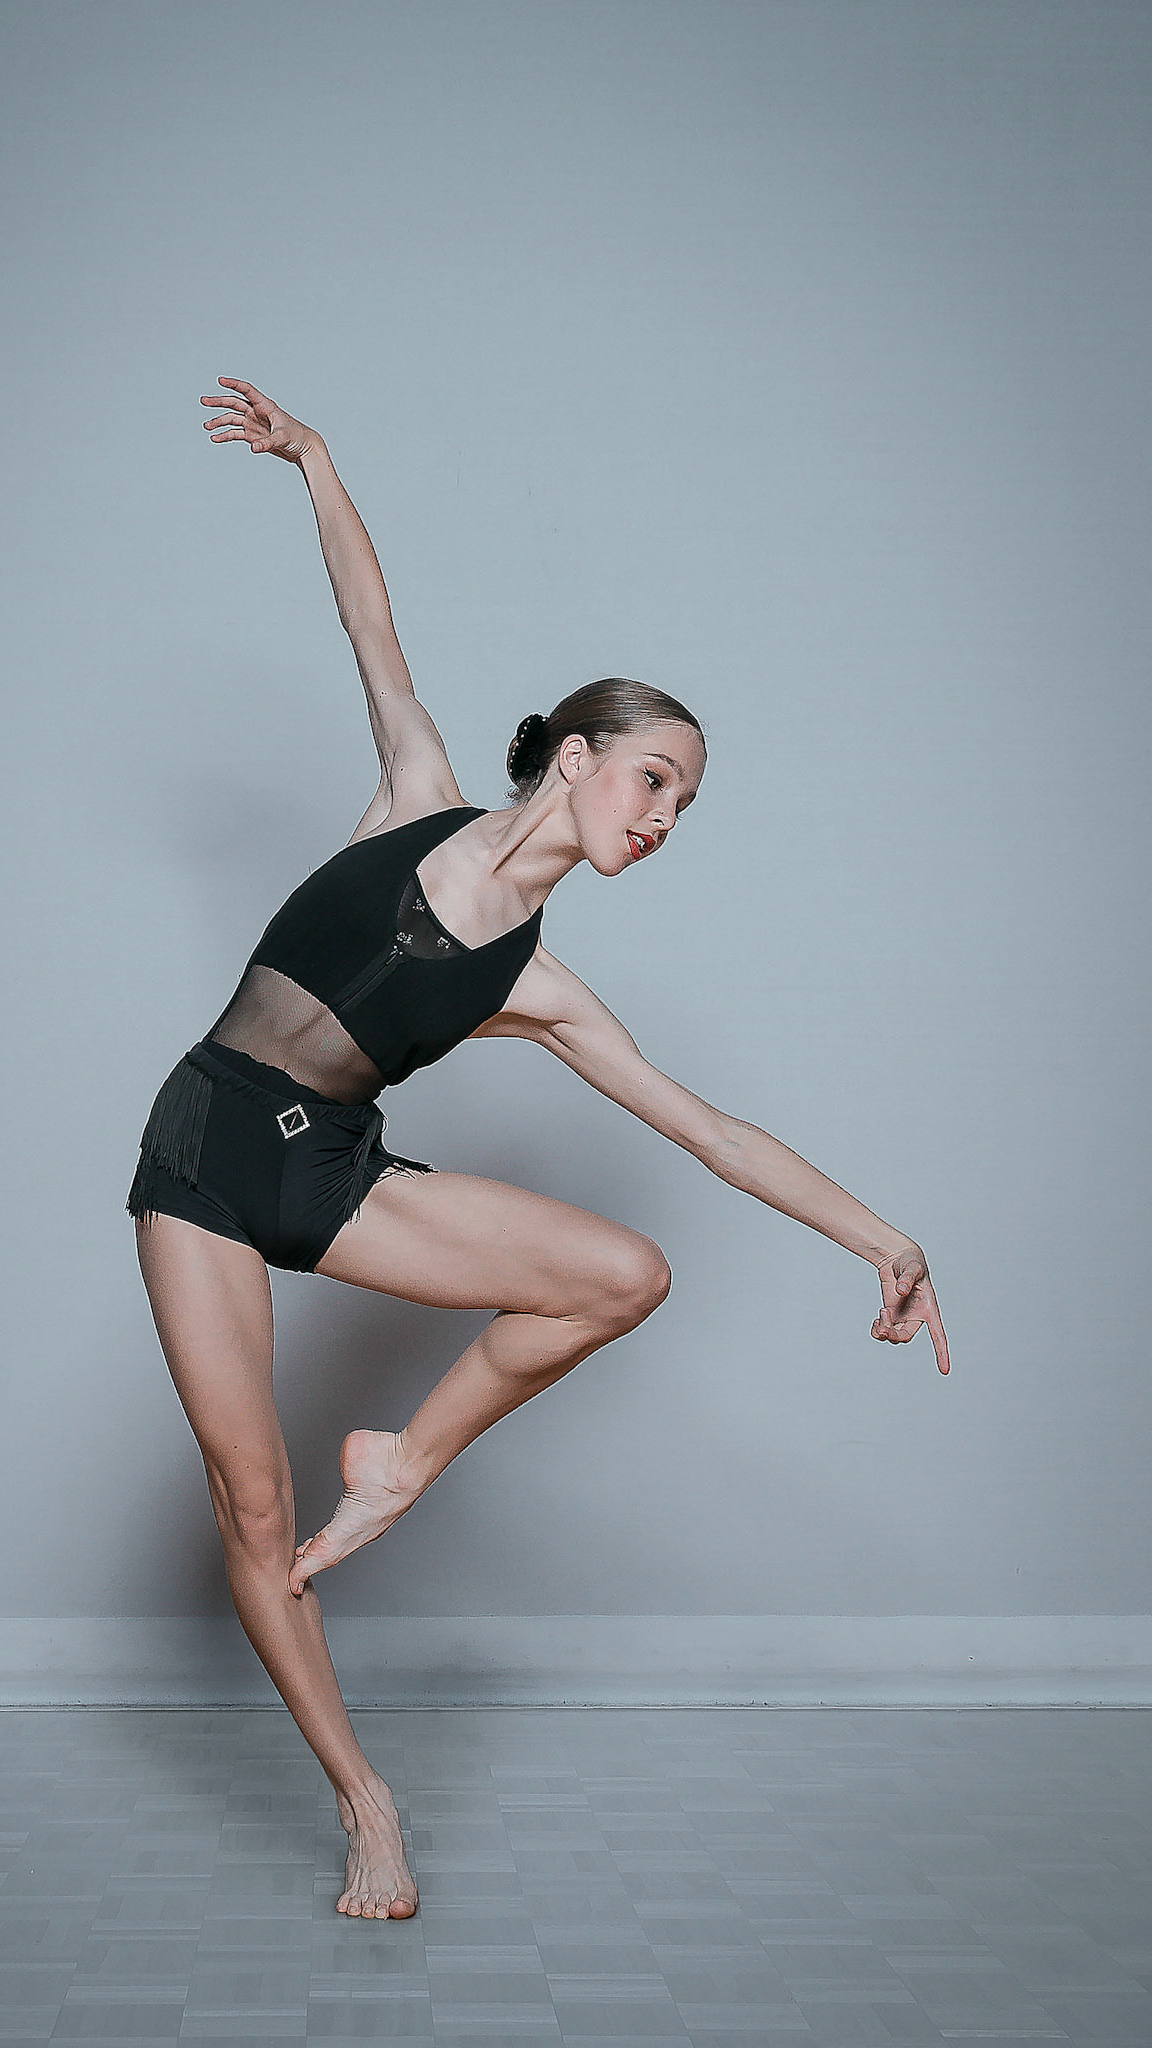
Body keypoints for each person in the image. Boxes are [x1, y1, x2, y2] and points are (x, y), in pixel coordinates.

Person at [127, 377, 952, 1924]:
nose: (666, 816)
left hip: (330, 1171)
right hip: (206, 1153)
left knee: (624, 1273)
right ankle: (366, 1803)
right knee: (252, 1507)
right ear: (575, 755)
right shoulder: (415, 793)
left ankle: (404, 1461)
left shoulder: (541, 987)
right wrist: (317, 461)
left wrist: (883, 1239)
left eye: (686, 805)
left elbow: (711, 1132)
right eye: (657, 779)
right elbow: (369, 618)